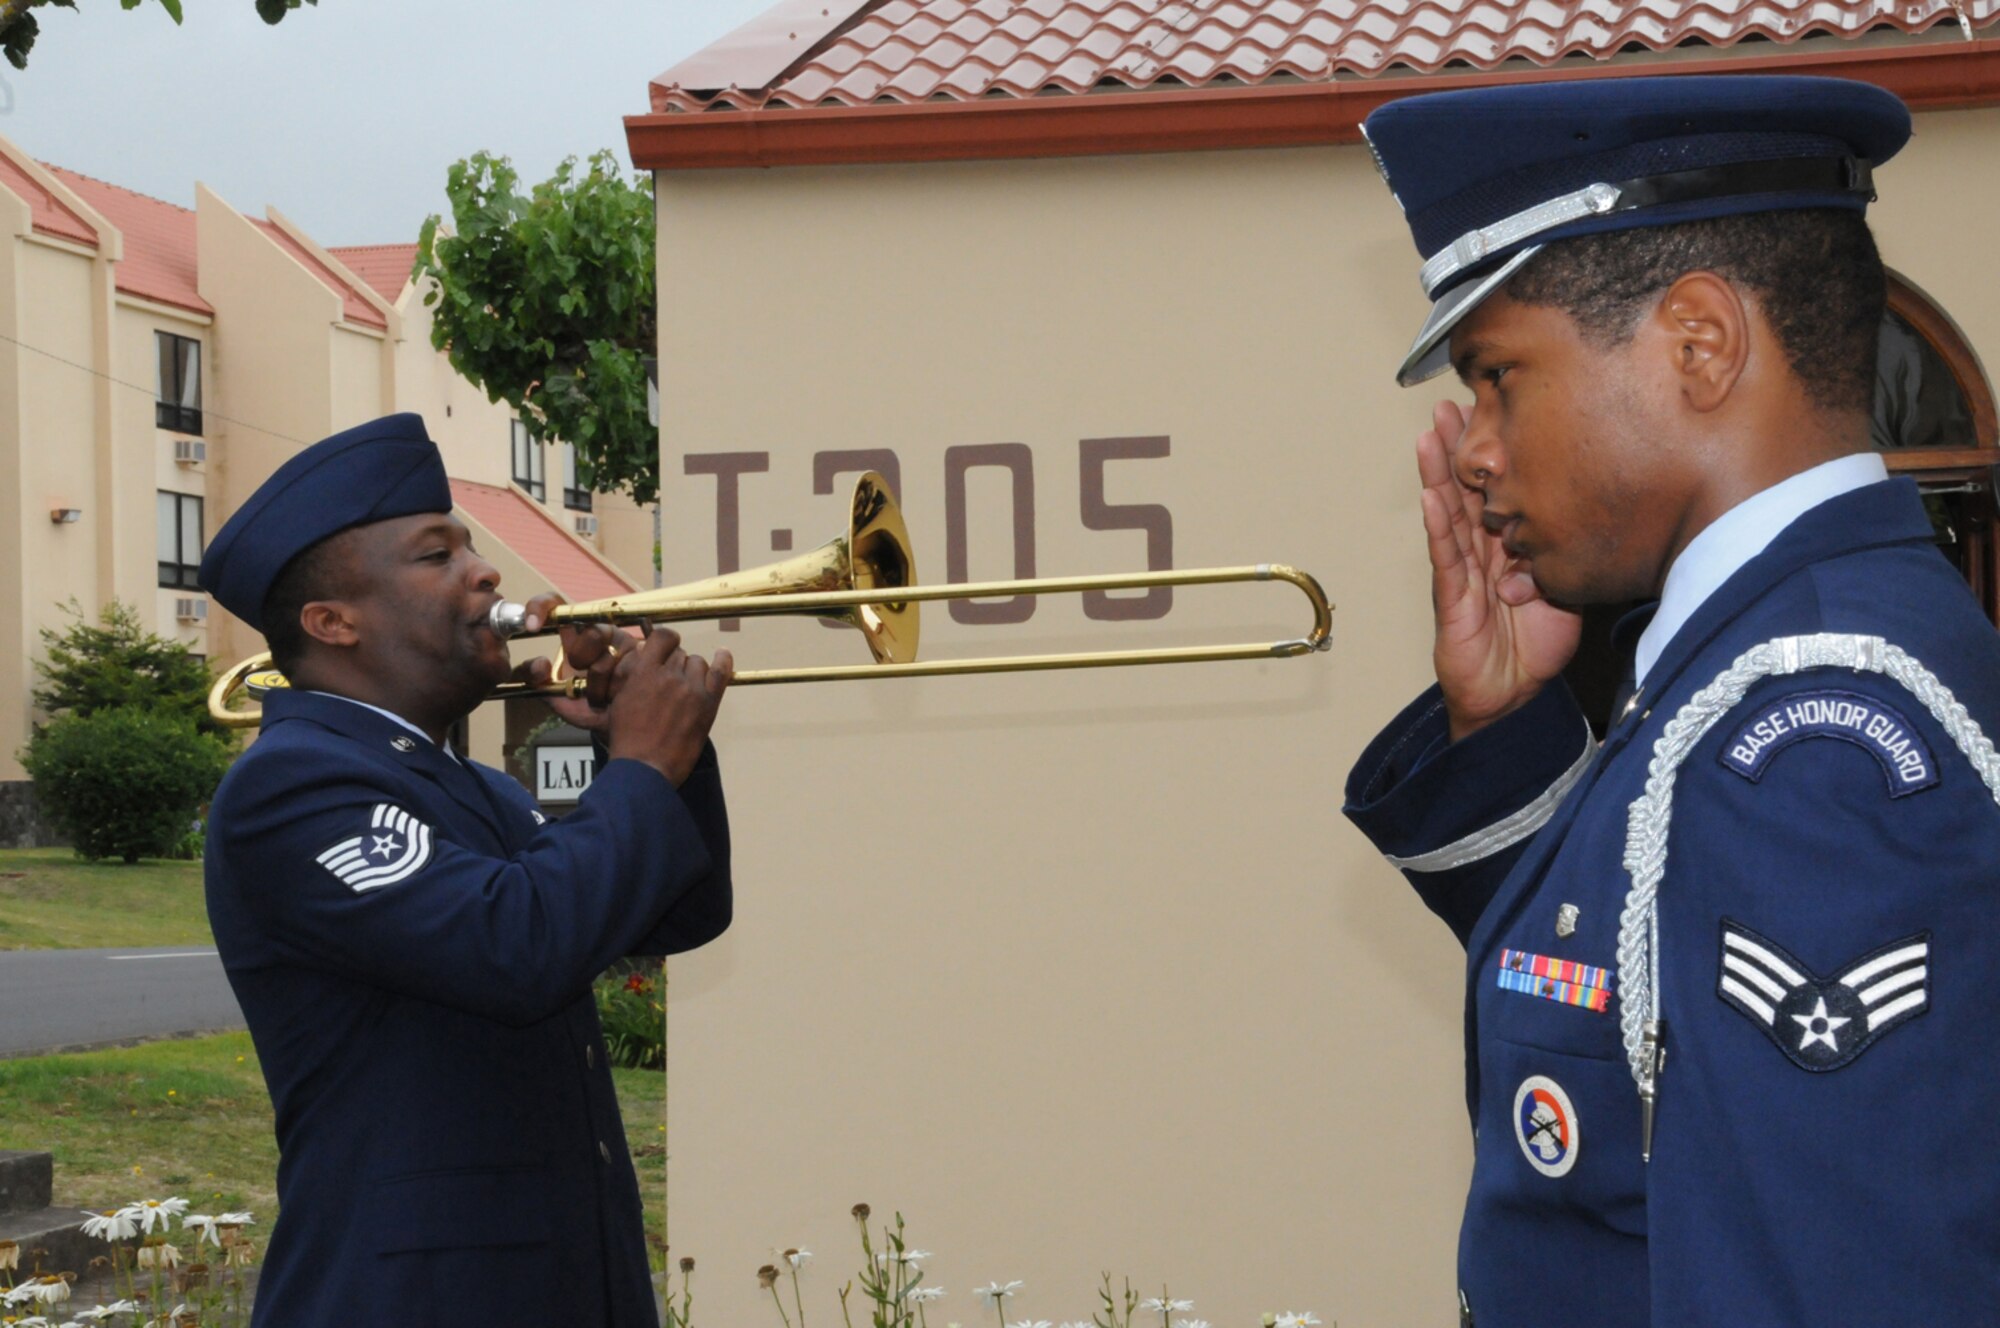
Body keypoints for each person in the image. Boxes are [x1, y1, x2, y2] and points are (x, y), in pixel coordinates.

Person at [1341, 77, 2000, 1324]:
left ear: (1698, 342)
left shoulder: (1814, 734)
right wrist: (1503, 736)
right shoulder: (1757, 659)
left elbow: (1822, 1288)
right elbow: (1627, 1037)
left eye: (1499, 375)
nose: (1473, 445)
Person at [197, 413, 733, 1327]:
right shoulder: (292, 783)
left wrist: (662, 764)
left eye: (472, 548)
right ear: (333, 622)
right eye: (435, 555)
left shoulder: (466, 785)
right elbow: (516, 947)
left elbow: (680, 915)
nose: (485, 572)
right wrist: (643, 768)